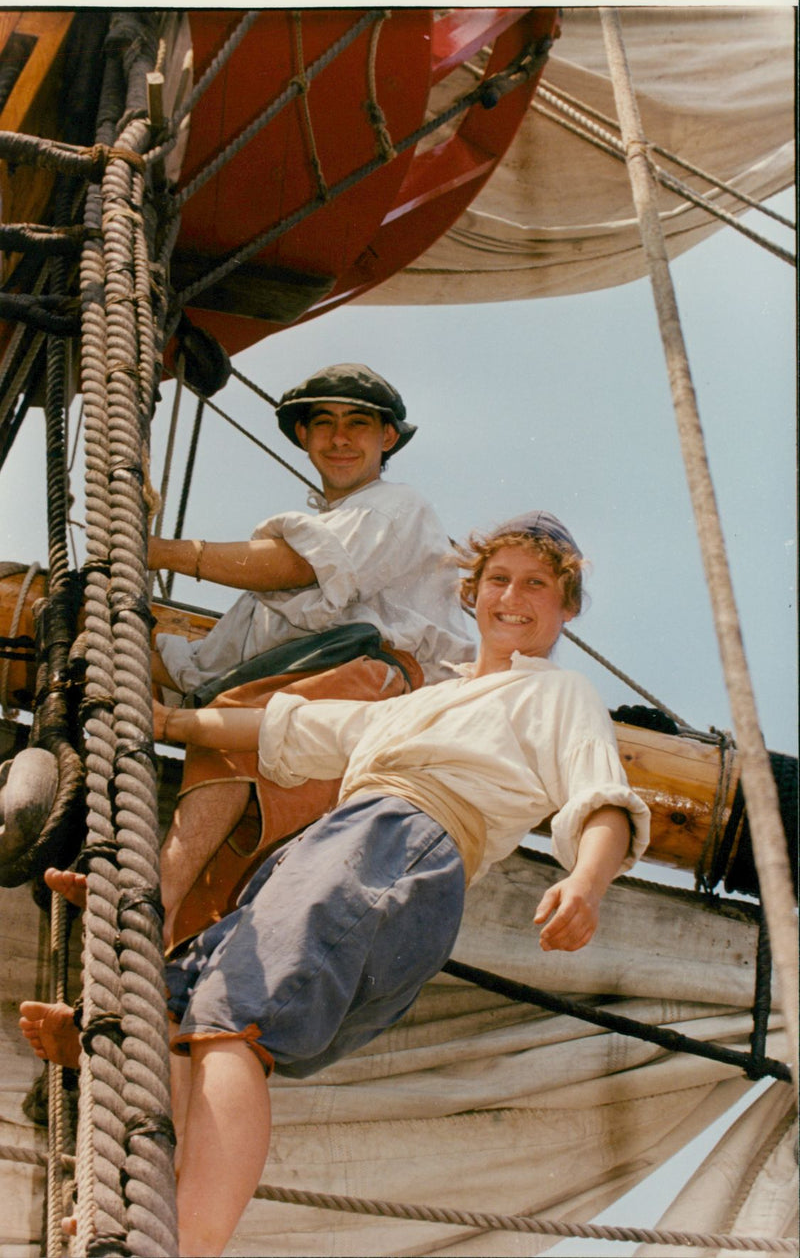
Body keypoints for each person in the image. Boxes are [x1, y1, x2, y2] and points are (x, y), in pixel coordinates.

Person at [21, 510, 650, 1255]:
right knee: (185, 1013)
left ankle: (189, 1239)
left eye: (537, 584)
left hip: (402, 844)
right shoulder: (420, 705)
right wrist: (158, 718)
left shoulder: (558, 693)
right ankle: (147, 1212)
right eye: (498, 579)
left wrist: (586, 878)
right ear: (471, 594)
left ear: (566, 605)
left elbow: (603, 798)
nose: (513, 595)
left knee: (234, 1023)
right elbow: (284, 730)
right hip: (337, 846)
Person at [148, 363, 474, 948]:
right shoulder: (272, 593)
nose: (339, 439)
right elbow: (200, 669)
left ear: (388, 439)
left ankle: (152, 896)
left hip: (386, 694)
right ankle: (166, 928)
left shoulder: (398, 507)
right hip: (321, 707)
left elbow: (302, 566)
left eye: (358, 424)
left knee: (234, 719)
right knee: (225, 880)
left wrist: (157, 551)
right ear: (303, 437)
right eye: (322, 423)